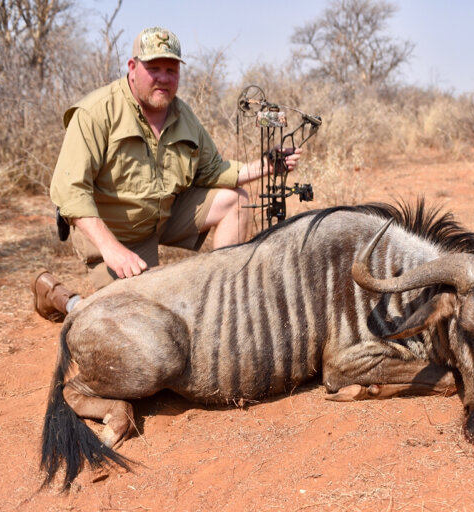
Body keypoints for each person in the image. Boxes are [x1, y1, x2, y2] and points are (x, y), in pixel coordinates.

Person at [32, 26, 302, 321]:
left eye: (171, 70)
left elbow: (212, 170)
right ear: (132, 67)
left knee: (235, 200)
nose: (163, 77)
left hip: (162, 218)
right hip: (116, 235)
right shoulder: (95, 112)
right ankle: (60, 298)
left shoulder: (182, 114)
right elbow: (70, 191)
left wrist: (266, 166)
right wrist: (113, 250)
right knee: (134, 324)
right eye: (154, 68)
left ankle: (225, 303)